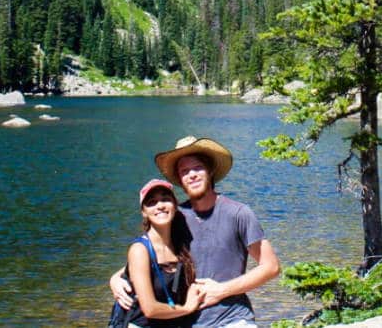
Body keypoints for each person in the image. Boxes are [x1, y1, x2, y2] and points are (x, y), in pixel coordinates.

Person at [112, 136, 280, 328]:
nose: (191, 175)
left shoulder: (238, 213)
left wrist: (222, 290)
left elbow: (271, 266)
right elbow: (148, 256)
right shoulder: (175, 217)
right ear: (180, 180)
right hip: (185, 321)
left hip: (232, 318)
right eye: (184, 171)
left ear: (210, 171)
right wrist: (116, 279)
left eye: (197, 168)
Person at [121, 178, 205, 327]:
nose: (159, 206)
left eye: (165, 199)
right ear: (144, 212)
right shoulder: (140, 250)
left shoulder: (180, 246)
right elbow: (150, 309)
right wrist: (186, 308)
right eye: (152, 202)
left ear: (174, 205)